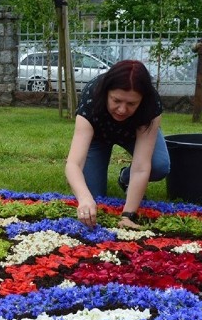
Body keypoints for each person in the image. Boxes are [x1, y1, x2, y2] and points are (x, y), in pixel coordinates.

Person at [65, 59, 170, 230]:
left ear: (142, 100)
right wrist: (84, 198)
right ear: (107, 92)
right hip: (98, 137)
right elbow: (73, 163)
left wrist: (128, 215)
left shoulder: (151, 104)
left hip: (133, 133)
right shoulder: (91, 96)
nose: (122, 109)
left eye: (131, 104)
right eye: (116, 100)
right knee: (94, 197)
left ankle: (125, 179)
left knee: (159, 165)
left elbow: (142, 167)